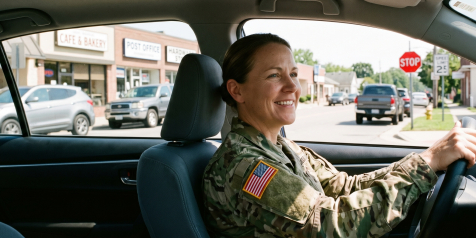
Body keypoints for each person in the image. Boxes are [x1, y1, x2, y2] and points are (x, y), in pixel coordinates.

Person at [202, 33, 476, 238]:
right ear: (237, 91)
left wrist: (426, 160)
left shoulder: (281, 147)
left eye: (294, 74)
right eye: (275, 75)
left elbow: (344, 187)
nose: (292, 87)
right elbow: (333, 226)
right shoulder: (245, 166)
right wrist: (425, 165)